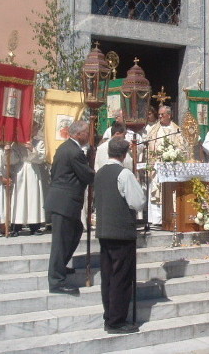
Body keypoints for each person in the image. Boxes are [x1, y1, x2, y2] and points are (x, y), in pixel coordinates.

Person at [95, 137, 145, 334]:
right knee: (121, 277)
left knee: (108, 276)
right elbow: (137, 202)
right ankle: (117, 320)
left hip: (105, 230)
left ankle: (109, 315)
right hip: (122, 231)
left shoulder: (100, 172)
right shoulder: (124, 174)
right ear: (124, 155)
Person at [46, 121, 95, 295]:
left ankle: (60, 266)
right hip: (64, 201)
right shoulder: (74, 152)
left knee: (75, 230)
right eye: (86, 133)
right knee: (61, 242)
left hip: (64, 200)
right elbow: (87, 175)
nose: (88, 136)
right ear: (78, 134)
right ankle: (56, 281)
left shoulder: (64, 148)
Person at [146, 105, 186, 226]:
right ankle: (157, 219)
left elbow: (182, 147)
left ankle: (171, 216)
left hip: (172, 164)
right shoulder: (153, 130)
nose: (160, 116)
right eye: (159, 114)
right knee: (156, 190)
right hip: (157, 164)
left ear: (169, 115)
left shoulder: (177, 130)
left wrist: (174, 155)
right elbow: (150, 146)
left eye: (162, 114)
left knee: (171, 191)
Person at [10, 123, 46, 236]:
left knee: (33, 198)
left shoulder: (39, 143)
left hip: (32, 171)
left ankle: (34, 226)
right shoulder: (16, 143)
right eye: (33, 129)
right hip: (20, 171)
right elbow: (13, 160)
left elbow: (41, 158)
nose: (35, 131)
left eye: (35, 129)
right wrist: (9, 151)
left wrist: (32, 149)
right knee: (19, 198)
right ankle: (16, 226)